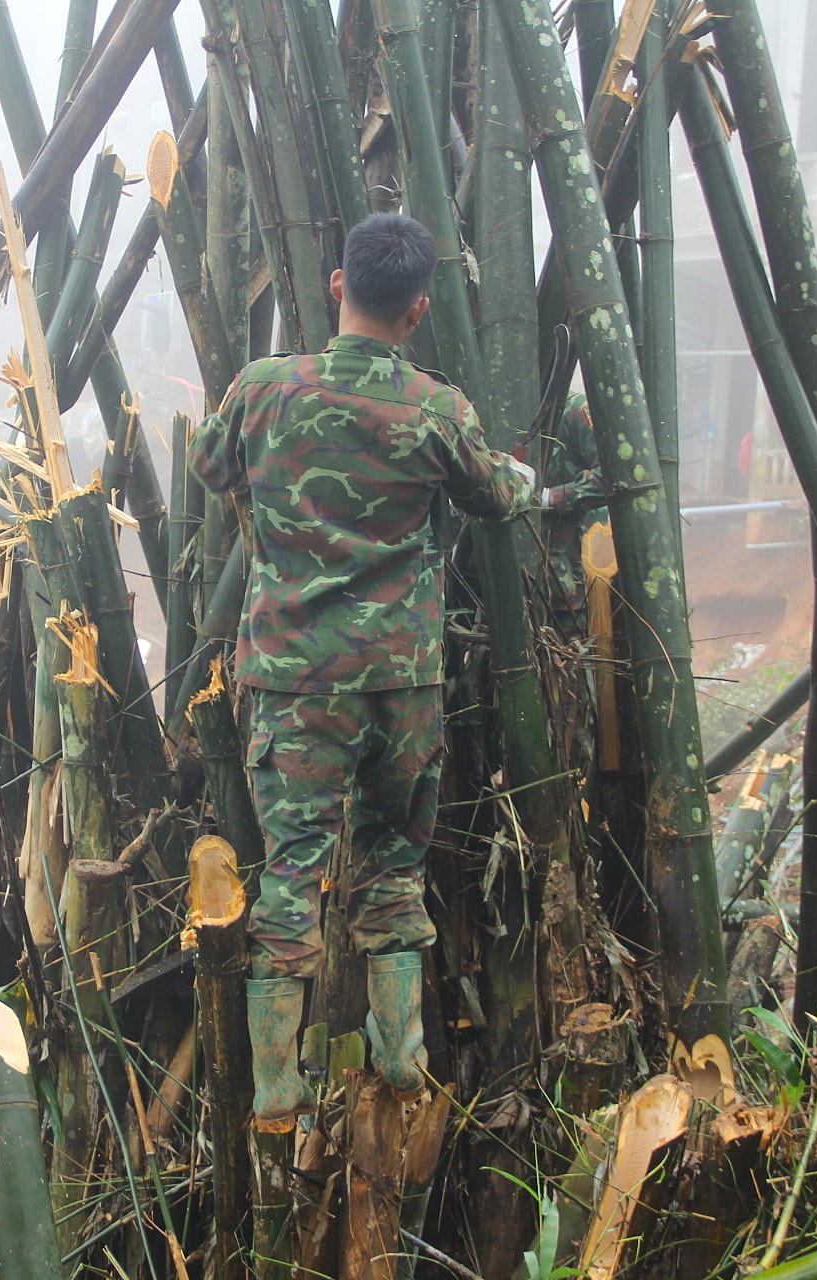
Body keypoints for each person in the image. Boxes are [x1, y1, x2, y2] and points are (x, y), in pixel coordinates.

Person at [189, 214, 534, 1124]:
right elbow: (497, 496)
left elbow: (206, 462)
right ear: (418, 310)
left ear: (337, 287)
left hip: (295, 683)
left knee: (291, 872)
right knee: (392, 867)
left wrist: (267, 515)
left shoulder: (264, 390)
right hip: (399, 683)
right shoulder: (434, 407)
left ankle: (274, 1081)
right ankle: (402, 1056)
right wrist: (534, 480)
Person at [539, 392, 606, 635]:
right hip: (527, 578)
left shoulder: (576, 411)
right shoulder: (502, 408)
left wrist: (552, 497)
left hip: (574, 580)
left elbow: (614, 474)